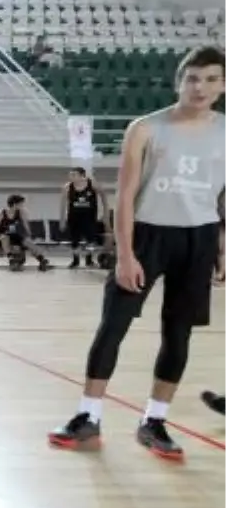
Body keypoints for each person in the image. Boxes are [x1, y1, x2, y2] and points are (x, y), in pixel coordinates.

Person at [48, 45, 226, 460]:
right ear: (179, 81)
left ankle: (154, 421)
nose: (200, 87)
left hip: (197, 239)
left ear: (222, 85)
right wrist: (126, 254)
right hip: (147, 236)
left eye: (211, 79)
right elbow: (125, 197)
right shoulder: (145, 128)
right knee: (113, 326)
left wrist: (221, 247)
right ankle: (87, 416)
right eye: (193, 78)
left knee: (177, 334)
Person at [60, 167, 107, 268]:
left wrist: (105, 212)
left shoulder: (92, 184)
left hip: (89, 217)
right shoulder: (67, 187)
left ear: (82, 176)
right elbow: (63, 205)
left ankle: (89, 260)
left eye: (74, 175)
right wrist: (62, 220)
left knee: (90, 240)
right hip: (73, 217)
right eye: (70, 175)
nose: (71, 177)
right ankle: (75, 260)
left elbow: (103, 196)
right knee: (74, 241)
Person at [0, 195, 50, 271]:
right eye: (21, 204)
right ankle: (11, 259)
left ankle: (41, 259)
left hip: (17, 236)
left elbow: (26, 227)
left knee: (27, 242)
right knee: (4, 237)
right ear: (14, 204)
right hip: (3, 236)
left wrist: (29, 239)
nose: (22, 206)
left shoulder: (22, 212)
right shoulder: (0, 213)